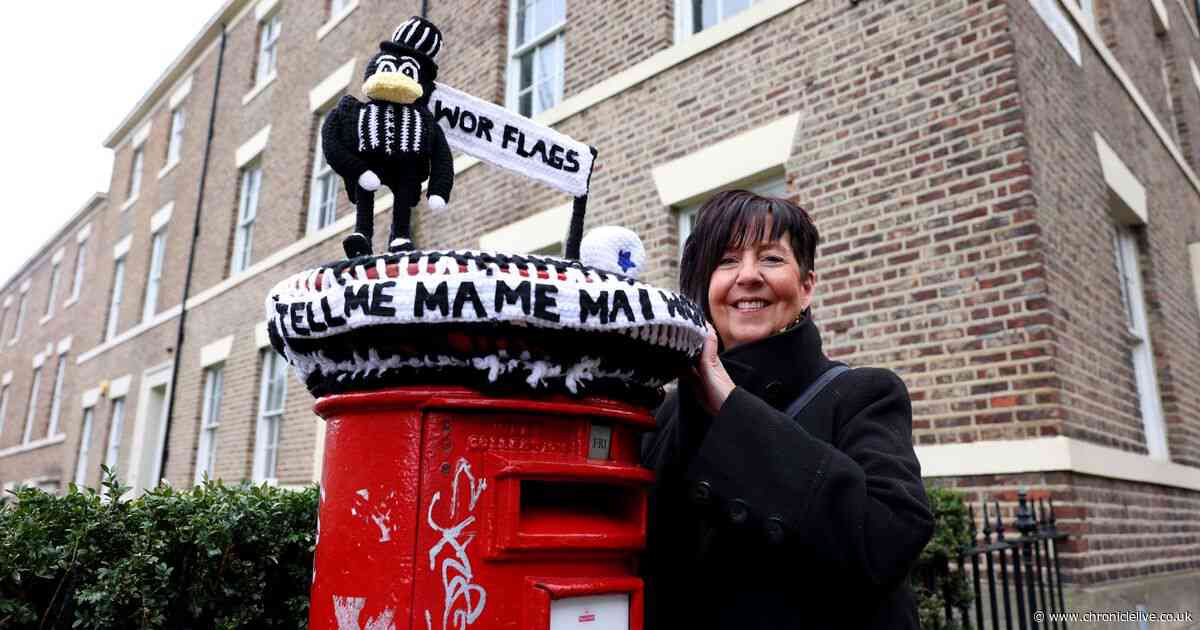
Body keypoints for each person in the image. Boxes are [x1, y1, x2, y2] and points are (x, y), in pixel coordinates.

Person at [641, 190, 933, 629]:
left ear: (806, 285)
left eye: (772, 259)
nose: (748, 276)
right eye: (726, 260)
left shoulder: (865, 395)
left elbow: (887, 539)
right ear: (705, 287)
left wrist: (732, 407)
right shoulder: (662, 414)